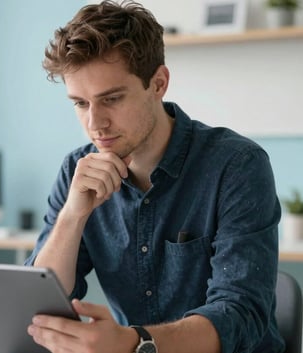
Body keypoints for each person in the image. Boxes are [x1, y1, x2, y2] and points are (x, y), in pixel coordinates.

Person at [25, 1, 284, 352]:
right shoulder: (77, 170)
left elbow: (240, 314)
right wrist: (72, 216)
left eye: (112, 99)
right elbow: (40, 305)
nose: (94, 124)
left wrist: (136, 342)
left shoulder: (237, 165)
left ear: (158, 83)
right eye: (80, 103)